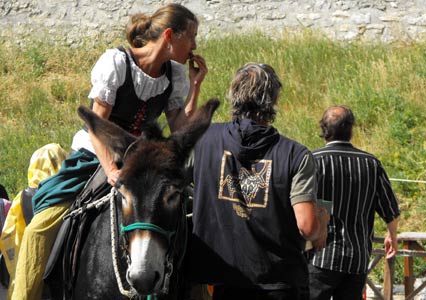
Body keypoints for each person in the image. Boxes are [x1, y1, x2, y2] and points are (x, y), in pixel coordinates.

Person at [11, 3, 208, 299]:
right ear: (170, 35)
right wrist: (113, 171)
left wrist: (195, 87)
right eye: (191, 36)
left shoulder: (174, 75)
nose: (194, 44)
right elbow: (96, 125)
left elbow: (179, 129)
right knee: (42, 225)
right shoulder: (116, 63)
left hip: (141, 161)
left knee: (193, 217)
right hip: (96, 154)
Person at [186, 62, 329, 300]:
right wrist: (322, 223)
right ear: (273, 98)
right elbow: (307, 226)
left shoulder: (203, 140)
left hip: (221, 280)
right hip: (279, 284)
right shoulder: (296, 155)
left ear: (233, 95)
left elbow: (168, 173)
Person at [306, 105, 400, 300]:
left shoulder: (314, 160)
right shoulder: (371, 163)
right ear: (350, 130)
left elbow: (301, 204)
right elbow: (390, 209)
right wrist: (392, 235)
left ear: (324, 131)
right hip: (357, 260)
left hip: (320, 256)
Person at [0, 143, 68, 296]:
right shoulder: (68, 194)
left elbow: (11, 237)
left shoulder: (22, 198)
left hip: (31, 262)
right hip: (62, 263)